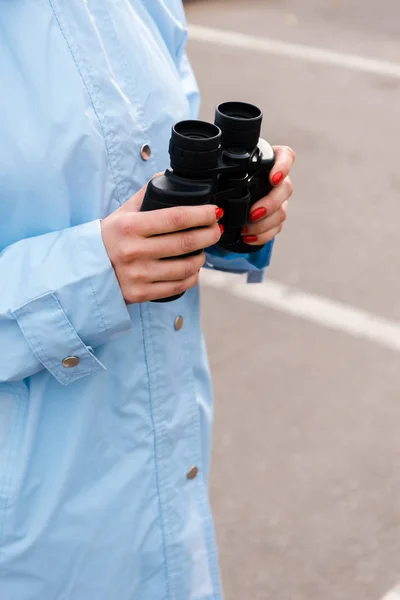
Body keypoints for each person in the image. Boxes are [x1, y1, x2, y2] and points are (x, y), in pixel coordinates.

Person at [0, 2, 295, 599]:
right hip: (32, 529)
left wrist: (236, 213)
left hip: (163, 485)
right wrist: (91, 274)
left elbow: (160, 173)